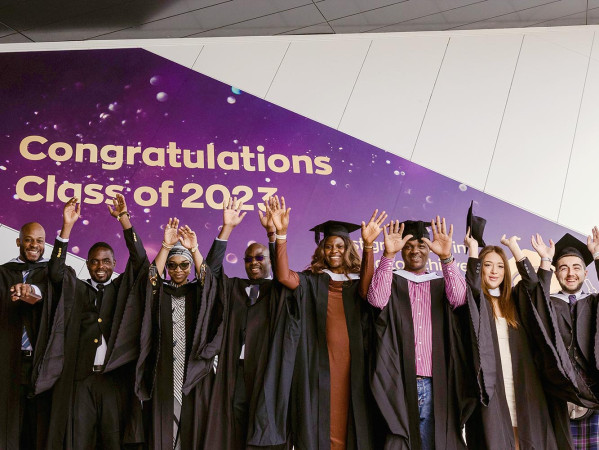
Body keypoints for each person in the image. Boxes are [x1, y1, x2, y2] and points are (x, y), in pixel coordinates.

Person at [249, 195, 387, 450]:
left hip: (354, 361)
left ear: (348, 249)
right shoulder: (313, 280)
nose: (333, 251)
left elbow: (368, 291)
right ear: (321, 249)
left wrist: (369, 246)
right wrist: (281, 234)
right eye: (328, 246)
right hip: (318, 362)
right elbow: (283, 276)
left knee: (353, 416)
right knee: (321, 419)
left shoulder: (357, 281)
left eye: (339, 246)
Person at [44, 195, 148, 449]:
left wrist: (124, 219)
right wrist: (66, 226)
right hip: (81, 380)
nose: (99, 266)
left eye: (105, 261)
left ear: (114, 264)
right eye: (94, 261)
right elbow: (55, 272)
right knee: (79, 441)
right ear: (88, 264)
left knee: (112, 441)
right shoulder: (76, 288)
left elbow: (141, 262)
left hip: (113, 381)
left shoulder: (123, 287)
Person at [462, 230, 573, 450]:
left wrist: (514, 248)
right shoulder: (476, 301)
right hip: (492, 382)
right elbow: (472, 285)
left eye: (500, 266)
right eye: (487, 265)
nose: (494, 271)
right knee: (497, 436)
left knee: (526, 434)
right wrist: (473, 251)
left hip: (522, 379)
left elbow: (533, 284)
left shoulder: (514, 299)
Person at [367, 217, 467, 450]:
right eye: (408, 246)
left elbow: (461, 300)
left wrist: (446, 258)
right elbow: (376, 300)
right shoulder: (391, 280)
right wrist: (388, 256)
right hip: (399, 381)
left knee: (434, 442)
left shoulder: (442, 282)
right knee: (400, 441)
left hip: (436, 383)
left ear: (429, 249)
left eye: (421, 245)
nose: (414, 251)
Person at [199, 198, 289, 449]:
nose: (254, 263)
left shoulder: (279, 290)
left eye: (260, 257)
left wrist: (272, 233)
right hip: (234, 372)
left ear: (269, 261)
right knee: (233, 429)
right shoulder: (234, 288)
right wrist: (226, 229)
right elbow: (211, 273)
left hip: (265, 371)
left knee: (261, 429)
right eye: (248, 260)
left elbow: (283, 272)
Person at [135, 217, 218, 449]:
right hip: (163, 367)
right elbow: (151, 278)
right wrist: (166, 246)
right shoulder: (160, 292)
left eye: (184, 265)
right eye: (173, 265)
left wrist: (194, 248)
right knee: (164, 425)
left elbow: (209, 280)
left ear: (190, 267)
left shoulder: (197, 292)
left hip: (191, 368)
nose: (178, 270)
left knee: (192, 426)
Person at [543, 230, 599, 449]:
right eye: (563, 268)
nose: (570, 273)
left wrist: (597, 255)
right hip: (559, 395)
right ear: (556, 273)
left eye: (576, 267)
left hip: (594, 394)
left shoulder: (594, 301)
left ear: (586, 273)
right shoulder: (546, 303)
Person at [0, 221, 52, 449]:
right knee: (8, 424)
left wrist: (32, 291)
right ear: (18, 241)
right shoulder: (3, 273)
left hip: (40, 363)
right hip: (8, 362)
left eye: (39, 241)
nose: (34, 245)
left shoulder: (52, 274)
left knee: (38, 427)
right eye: (29, 239)